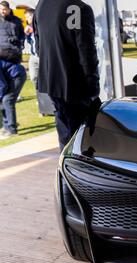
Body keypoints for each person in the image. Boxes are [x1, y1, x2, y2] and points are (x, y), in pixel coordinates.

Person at [34, 0, 101, 150]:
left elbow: (38, 45)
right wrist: (93, 86)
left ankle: (66, 164)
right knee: (80, 138)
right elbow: (86, 51)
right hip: (74, 84)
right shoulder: (78, 8)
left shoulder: (42, 4)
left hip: (51, 80)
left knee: (65, 130)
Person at [0, 0, 26, 140]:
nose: (3, 11)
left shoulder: (16, 21)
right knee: (5, 98)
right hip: (3, 61)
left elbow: (22, 36)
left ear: (9, 9)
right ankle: (7, 126)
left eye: (5, 9)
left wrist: (19, 44)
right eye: (1, 9)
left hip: (14, 62)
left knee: (7, 98)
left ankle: (11, 128)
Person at [24, 8, 38, 90]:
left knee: (46, 78)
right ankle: (40, 96)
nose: (26, 19)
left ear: (33, 16)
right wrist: (27, 34)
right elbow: (30, 41)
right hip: (33, 55)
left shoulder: (41, 25)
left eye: (28, 17)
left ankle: (46, 98)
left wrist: (33, 30)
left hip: (42, 55)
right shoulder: (28, 27)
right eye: (25, 17)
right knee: (33, 77)